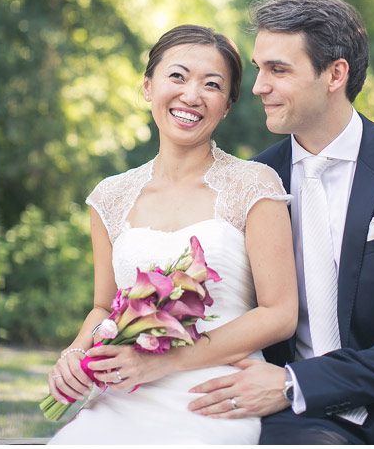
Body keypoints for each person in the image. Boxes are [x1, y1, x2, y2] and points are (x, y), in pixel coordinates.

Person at [187, 0, 374, 444]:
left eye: (278, 70)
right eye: (259, 68)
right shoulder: (253, 183)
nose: (259, 86)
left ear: (335, 75)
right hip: (289, 422)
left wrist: (296, 383)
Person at [45, 25, 298, 444]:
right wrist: (74, 355)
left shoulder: (254, 184)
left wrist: (163, 363)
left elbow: (279, 314)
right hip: (123, 392)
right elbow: (101, 308)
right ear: (148, 86)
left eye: (212, 85)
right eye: (177, 76)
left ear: (227, 104)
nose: (192, 95)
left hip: (213, 394)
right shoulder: (110, 196)